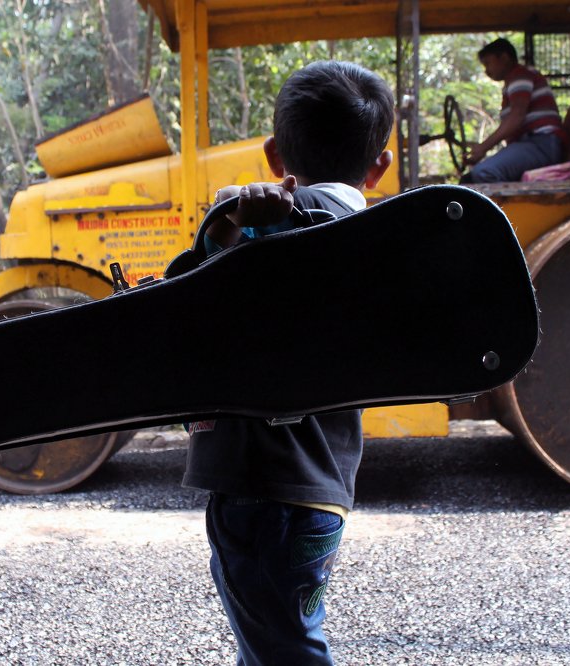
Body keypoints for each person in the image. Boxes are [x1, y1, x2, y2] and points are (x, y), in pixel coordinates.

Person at [182, 60, 394, 665]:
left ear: (274, 155)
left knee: (284, 651)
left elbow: (181, 306)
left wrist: (222, 229)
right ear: (379, 166)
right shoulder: (373, 238)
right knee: (280, 639)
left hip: (259, 486)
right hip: (323, 484)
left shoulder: (270, 231)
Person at [463, 37, 566, 183]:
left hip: (542, 144)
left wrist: (484, 147)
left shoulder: (520, 75)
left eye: (488, 63)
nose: (487, 71)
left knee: (484, 173)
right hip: (532, 145)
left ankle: (502, 207)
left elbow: (517, 116)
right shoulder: (512, 82)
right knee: (468, 180)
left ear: (504, 58)